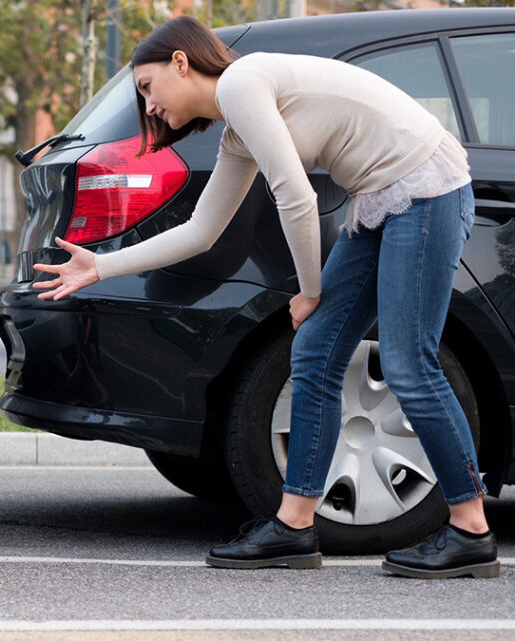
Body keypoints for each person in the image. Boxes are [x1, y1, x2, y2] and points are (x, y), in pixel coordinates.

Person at [33, 16, 497, 579]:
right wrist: (101, 266)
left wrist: (308, 292)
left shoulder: (241, 82)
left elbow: (296, 199)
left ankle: (471, 530)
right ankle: (295, 526)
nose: (149, 106)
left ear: (181, 62)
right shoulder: (237, 129)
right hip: (383, 201)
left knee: (407, 362)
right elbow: (201, 230)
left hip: (426, 191)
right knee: (316, 353)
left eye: (148, 87)